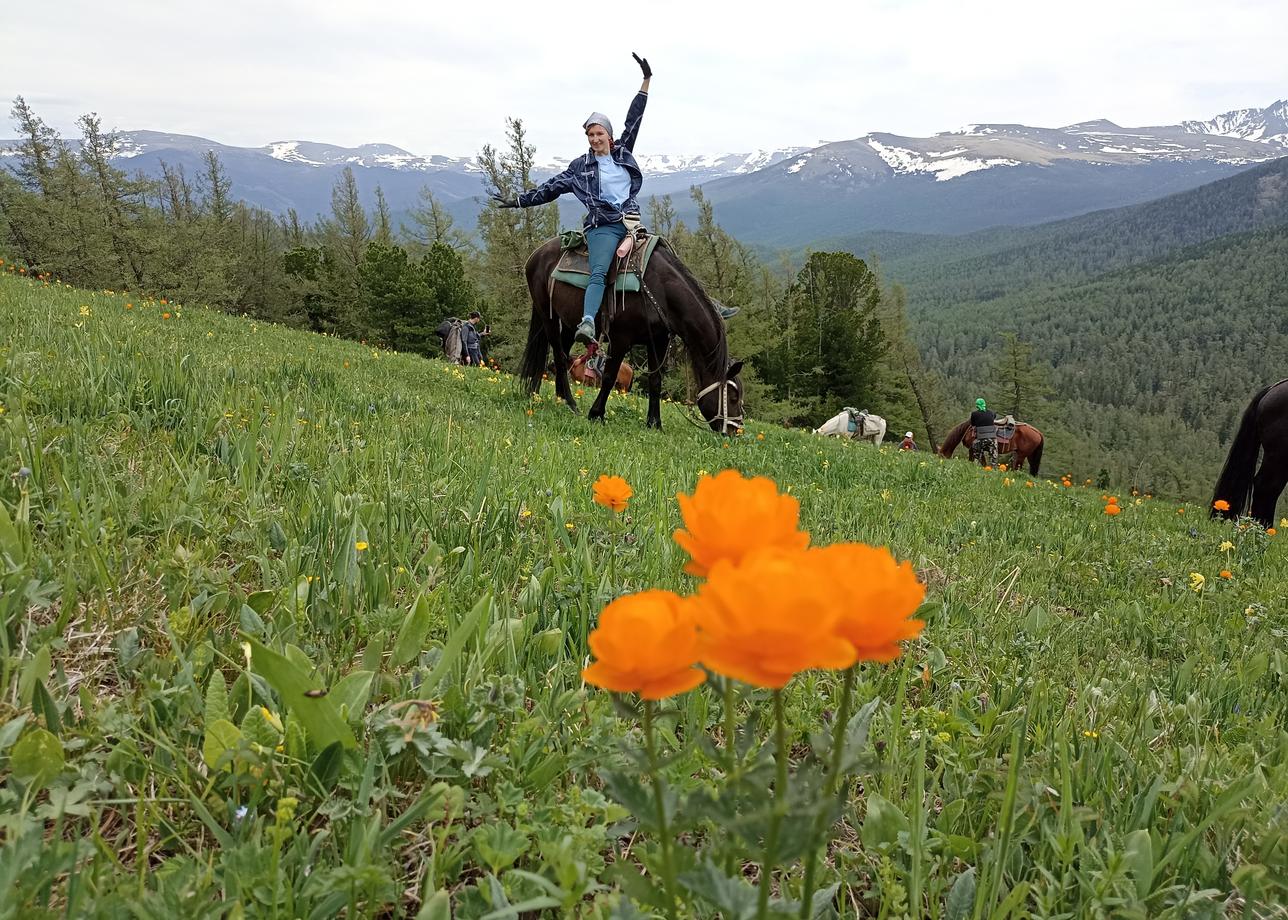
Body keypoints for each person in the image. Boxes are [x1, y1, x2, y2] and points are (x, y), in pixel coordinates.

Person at [492, 53, 653, 346]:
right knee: (600, 270)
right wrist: (518, 201)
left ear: (609, 135)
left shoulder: (622, 152)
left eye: (599, 133)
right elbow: (550, 188)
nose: (594, 138)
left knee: (664, 261)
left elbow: (635, 119)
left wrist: (645, 82)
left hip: (631, 222)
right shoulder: (580, 167)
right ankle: (589, 321)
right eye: (590, 134)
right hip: (603, 226)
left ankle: (706, 307)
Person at [969, 398, 997, 466]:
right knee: (993, 456)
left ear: (977, 405)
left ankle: (977, 467)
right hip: (992, 439)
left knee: (977, 455)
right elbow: (993, 418)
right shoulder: (991, 413)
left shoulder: (974, 414)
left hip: (980, 439)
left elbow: (973, 424)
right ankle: (994, 468)